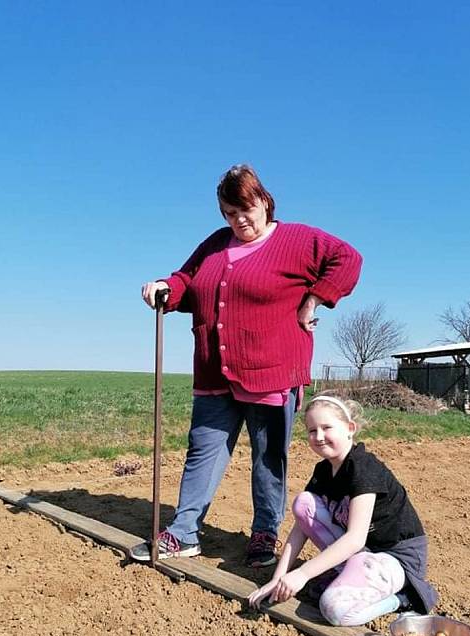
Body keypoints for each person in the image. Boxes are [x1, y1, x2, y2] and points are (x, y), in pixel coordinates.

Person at [131, 165, 362, 567]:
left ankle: (264, 534)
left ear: (264, 202)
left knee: (267, 457)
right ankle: (184, 532)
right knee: (202, 451)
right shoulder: (216, 245)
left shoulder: (297, 239)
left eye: (246, 209)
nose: (239, 220)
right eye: (229, 213)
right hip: (213, 369)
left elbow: (348, 259)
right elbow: (187, 279)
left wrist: (314, 299)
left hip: (270, 370)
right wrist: (167, 287)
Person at [248, 395, 438, 624]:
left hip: (395, 559)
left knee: (335, 609)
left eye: (326, 427)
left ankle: (401, 598)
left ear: (350, 428)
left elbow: (355, 539)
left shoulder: (363, 468)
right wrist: (278, 578)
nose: (318, 437)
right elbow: (301, 527)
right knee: (304, 503)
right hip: (364, 552)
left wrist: (303, 573)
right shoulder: (323, 470)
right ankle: (346, 573)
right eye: (311, 430)